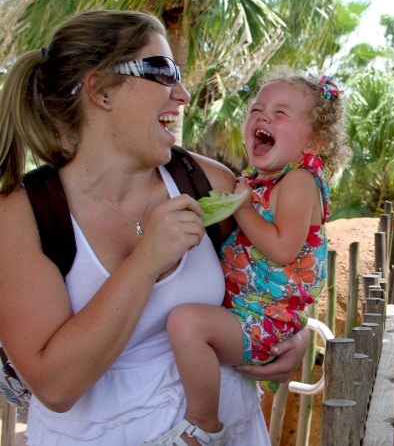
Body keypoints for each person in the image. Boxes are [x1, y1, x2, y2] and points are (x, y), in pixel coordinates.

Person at [0, 10, 310, 446]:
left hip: (229, 431)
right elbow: (54, 386)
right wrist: (146, 261)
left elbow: (272, 276)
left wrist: (290, 338)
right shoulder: (23, 214)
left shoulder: (206, 182)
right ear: (102, 91)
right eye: (163, 72)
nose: (182, 94)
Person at [144, 69, 351, 446]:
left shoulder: (299, 181)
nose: (263, 116)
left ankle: (204, 424)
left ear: (315, 143)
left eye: (281, 112)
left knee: (187, 324)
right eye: (257, 108)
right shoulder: (261, 182)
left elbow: (283, 248)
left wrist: (239, 207)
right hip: (251, 315)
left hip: (265, 321)